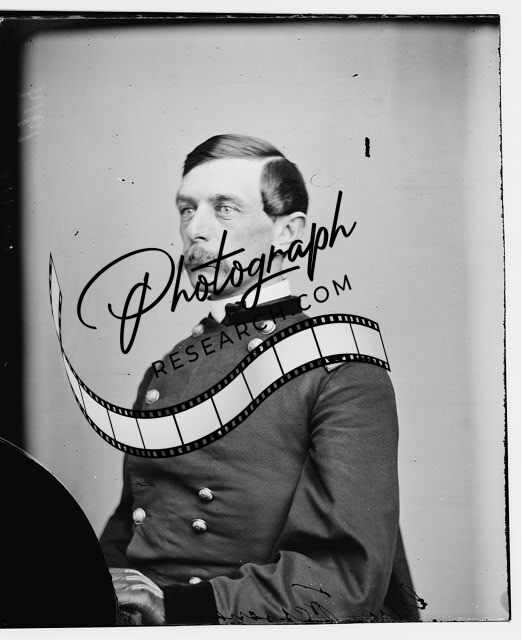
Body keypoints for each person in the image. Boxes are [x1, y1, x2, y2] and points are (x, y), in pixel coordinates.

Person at [99, 134, 420, 625]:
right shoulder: (167, 369)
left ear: (290, 232)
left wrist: (178, 609)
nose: (195, 230)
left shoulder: (340, 371)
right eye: (186, 209)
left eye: (224, 209)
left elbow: (343, 576)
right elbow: (130, 529)